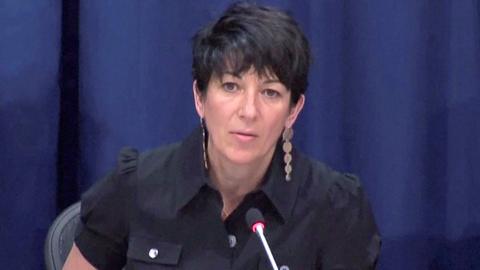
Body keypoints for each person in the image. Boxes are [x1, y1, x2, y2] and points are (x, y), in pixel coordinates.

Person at [63, 2, 381, 269]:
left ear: (293, 110)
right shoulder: (135, 187)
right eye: (231, 86)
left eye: (270, 93)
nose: (249, 111)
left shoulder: (335, 208)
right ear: (200, 98)